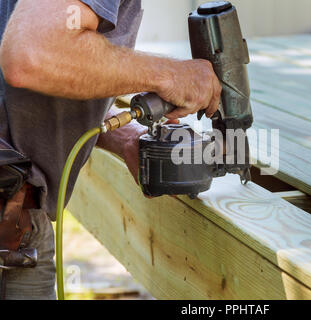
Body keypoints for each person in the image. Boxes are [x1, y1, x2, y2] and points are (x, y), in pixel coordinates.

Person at [0, 0, 221, 300]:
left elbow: (41, 74)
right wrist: (169, 74)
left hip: (18, 222)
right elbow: (30, 55)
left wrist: (125, 137)